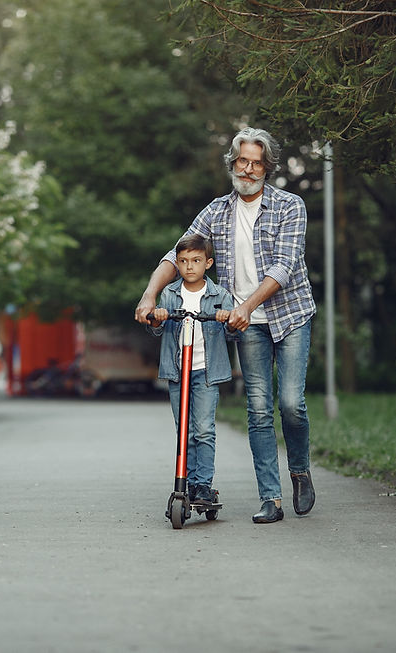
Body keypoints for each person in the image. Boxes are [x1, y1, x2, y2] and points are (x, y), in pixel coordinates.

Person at [135, 127, 317, 524]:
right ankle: (272, 498)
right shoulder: (217, 211)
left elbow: (284, 267)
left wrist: (247, 305)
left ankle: (300, 470)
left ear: (267, 168)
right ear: (232, 164)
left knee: (290, 404)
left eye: (256, 163)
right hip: (245, 324)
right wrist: (150, 295)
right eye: (241, 161)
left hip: (289, 315)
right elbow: (177, 252)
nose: (248, 169)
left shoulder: (290, 206)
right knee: (258, 409)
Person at [147, 234, 235, 508]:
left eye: (196, 261)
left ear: (207, 263)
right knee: (183, 429)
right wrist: (158, 317)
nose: (189, 267)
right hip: (178, 372)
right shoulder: (170, 294)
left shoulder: (220, 295)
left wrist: (227, 319)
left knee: (204, 429)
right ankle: (187, 481)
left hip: (206, 373)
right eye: (183, 261)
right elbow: (157, 328)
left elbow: (234, 333)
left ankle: (203, 486)